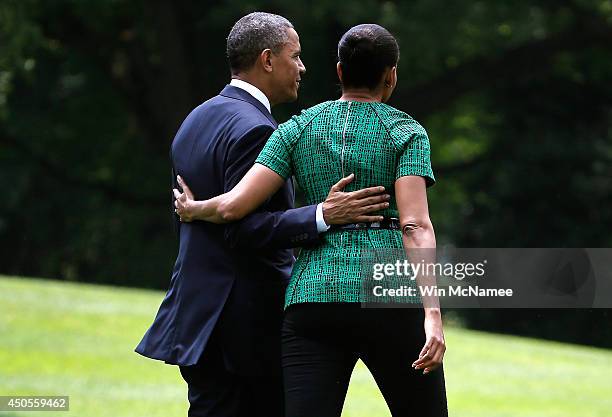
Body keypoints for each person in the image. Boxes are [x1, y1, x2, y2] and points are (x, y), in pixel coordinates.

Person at [175, 23, 448, 417]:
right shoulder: (406, 132)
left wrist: (193, 209)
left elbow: (233, 206)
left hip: (312, 301)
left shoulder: (295, 129)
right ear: (391, 75)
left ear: (339, 71)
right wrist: (433, 315)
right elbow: (415, 226)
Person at [135, 14, 390, 417]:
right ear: (268, 60)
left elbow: (188, 218)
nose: (303, 67)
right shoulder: (256, 129)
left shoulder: (196, 119)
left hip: (196, 317)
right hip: (244, 327)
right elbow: (243, 231)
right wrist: (323, 215)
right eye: (296, 56)